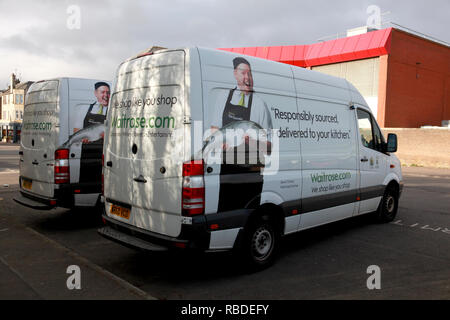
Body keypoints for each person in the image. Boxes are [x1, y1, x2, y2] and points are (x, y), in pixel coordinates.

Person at [210, 57, 272, 212]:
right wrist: (219, 145)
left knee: (249, 215)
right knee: (225, 212)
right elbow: (214, 130)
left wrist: (254, 142)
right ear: (235, 74)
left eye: (250, 74)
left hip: (251, 173)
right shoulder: (223, 97)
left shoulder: (259, 104)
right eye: (243, 73)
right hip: (226, 172)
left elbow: (269, 147)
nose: (247, 78)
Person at [78, 82, 110, 184]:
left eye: (108, 93)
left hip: (104, 156)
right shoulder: (85, 109)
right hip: (87, 155)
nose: (106, 95)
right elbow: (76, 129)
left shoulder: (113, 111)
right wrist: (83, 138)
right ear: (96, 93)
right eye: (103, 92)